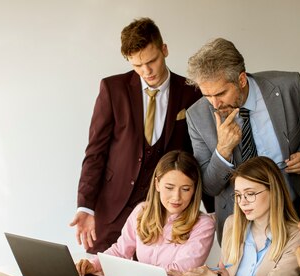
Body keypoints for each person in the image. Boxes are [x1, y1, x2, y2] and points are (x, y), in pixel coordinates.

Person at [70, 18, 203, 254]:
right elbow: (95, 152)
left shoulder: (192, 92)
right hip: (113, 209)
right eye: (137, 65)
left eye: (152, 61)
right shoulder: (113, 89)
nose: (146, 71)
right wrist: (86, 207)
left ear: (165, 49)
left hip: (163, 213)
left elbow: (199, 155)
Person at [185, 38, 300, 241]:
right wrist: (223, 150)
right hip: (239, 222)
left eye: (221, 93)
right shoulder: (197, 115)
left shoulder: (289, 87)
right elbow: (209, 187)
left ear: (241, 79)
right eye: (207, 95)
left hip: (293, 206)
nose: (214, 104)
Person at [170, 157, 300, 276]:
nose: (242, 202)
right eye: (238, 195)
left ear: (273, 191)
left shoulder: (296, 236)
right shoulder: (232, 225)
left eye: (250, 193)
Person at [75, 151, 215, 276]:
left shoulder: (204, 225)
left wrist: (131, 274)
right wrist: (94, 265)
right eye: (169, 187)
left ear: (194, 189)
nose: (176, 197)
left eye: (185, 189)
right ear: (157, 184)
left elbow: (180, 272)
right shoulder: (142, 211)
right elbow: (120, 251)